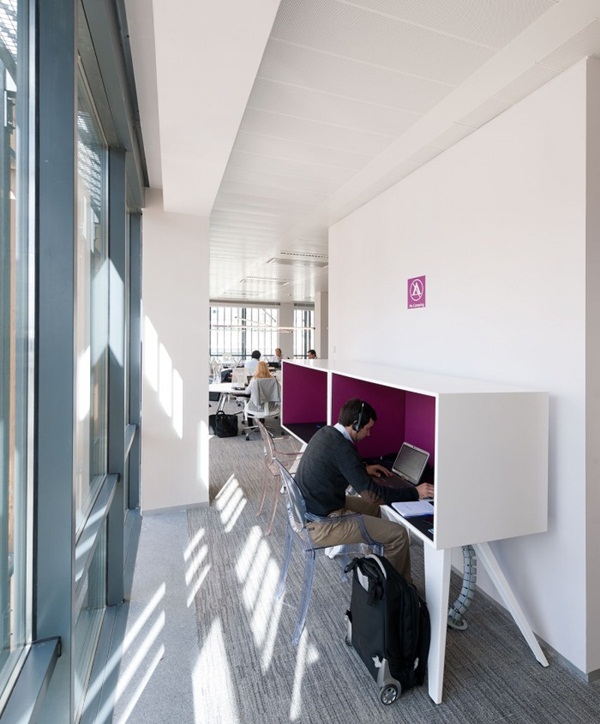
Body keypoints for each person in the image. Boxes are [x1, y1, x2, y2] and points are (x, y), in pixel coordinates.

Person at [294, 398, 434, 580]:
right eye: (368, 428)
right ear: (355, 425)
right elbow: (372, 495)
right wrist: (415, 492)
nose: (369, 434)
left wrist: (362, 469)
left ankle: (373, 562)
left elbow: (336, 464)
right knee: (398, 535)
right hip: (320, 524)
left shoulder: (327, 433)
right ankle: (396, 590)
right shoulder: (344, 448)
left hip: (308, 511)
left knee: (373, 509)